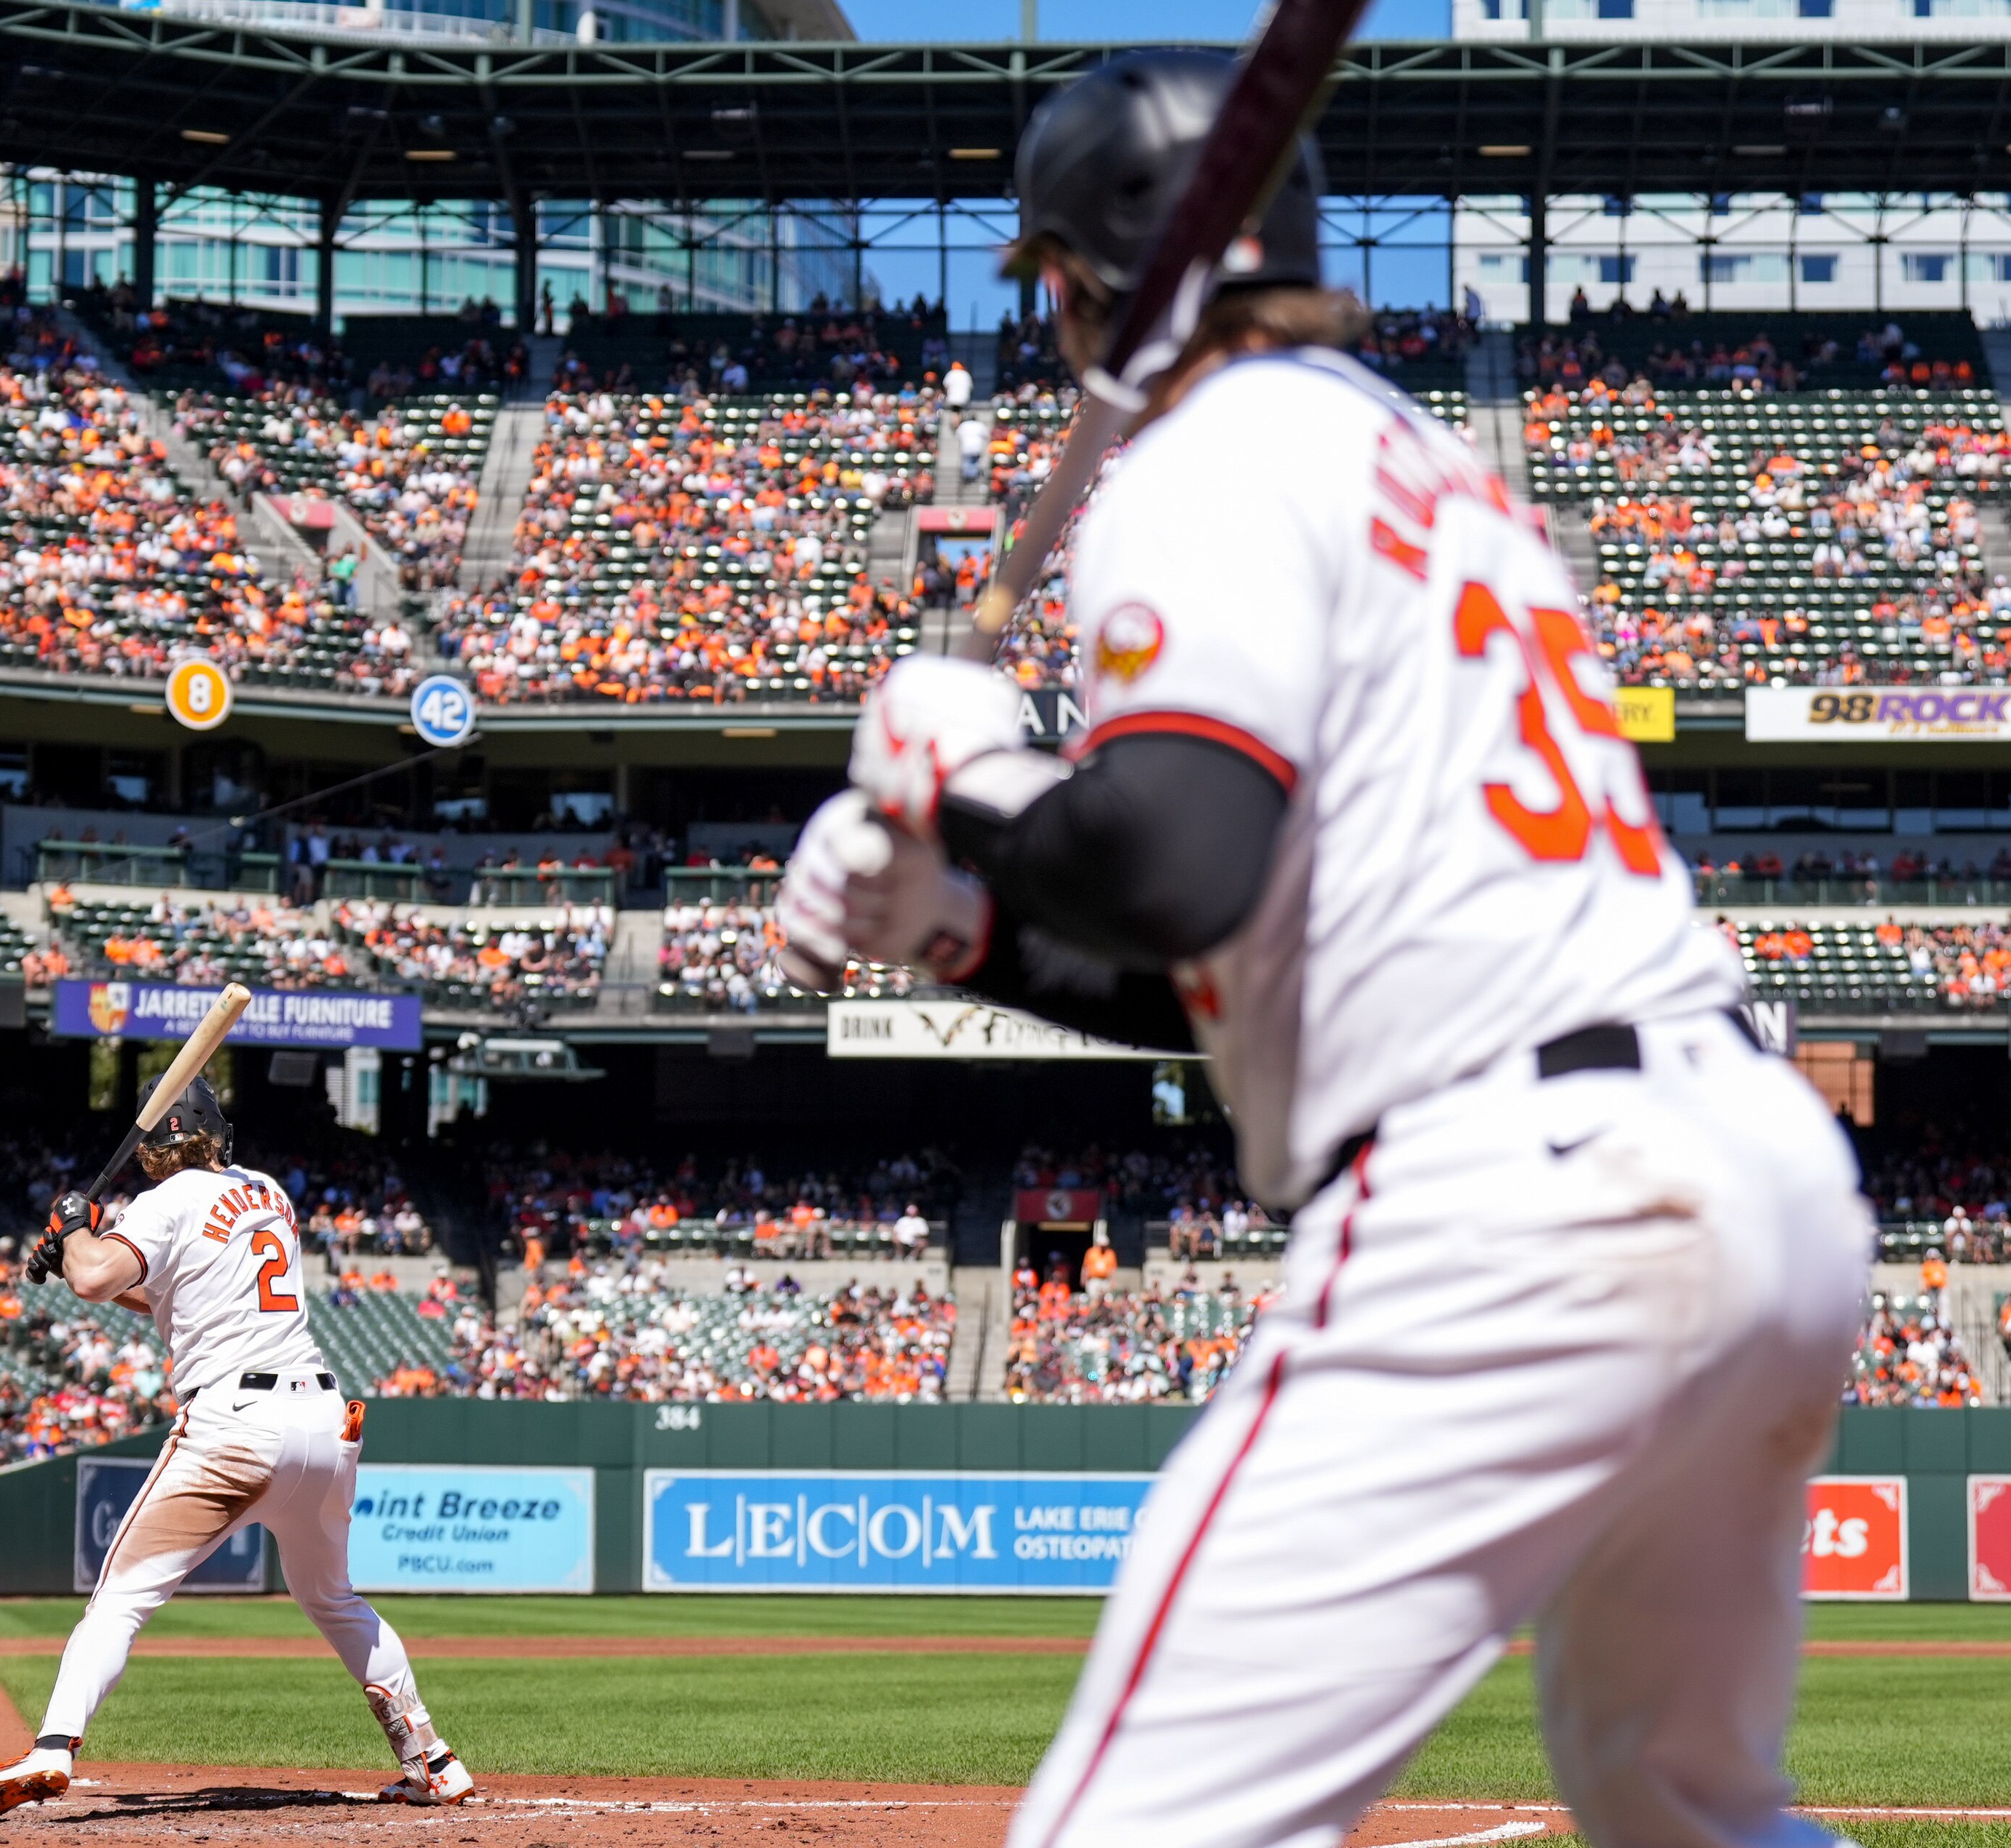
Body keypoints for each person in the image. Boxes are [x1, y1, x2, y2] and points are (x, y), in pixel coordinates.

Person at [770, 49, 1870, 1848]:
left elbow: (1172, 859)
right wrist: (958, 919)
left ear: (1070, 278)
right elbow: (1230, 964)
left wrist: (959, 764)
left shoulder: (1204, 456)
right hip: (1752, 1173)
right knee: (1684, 1808)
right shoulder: (1420, 463)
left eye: (1045, 280)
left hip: (1517, 1201)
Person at [0, 1076, 474, 1823]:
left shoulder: (164, 1201)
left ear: (157, 1145)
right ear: (217, 1134)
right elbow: (163, 1289)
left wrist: (74, 1229)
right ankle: (435, 1763)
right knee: (334, 1599)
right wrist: (73, 1254)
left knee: (120, 1600)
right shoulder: (267, 1192)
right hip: (324, 1423)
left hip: (235, 1424)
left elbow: (100, 1276)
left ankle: (53, 1748)